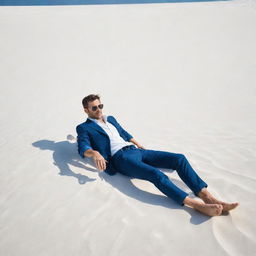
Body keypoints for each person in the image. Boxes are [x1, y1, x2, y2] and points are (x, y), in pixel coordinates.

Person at [76, 94, 239, 217]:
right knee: (155, 174)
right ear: (86, 110)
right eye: (94, 108)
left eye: (100, 106)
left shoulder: (109, 118)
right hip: (121, 158)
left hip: (136, 150)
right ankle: (195, 204)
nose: (99, 110)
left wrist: (137, 143)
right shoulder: (84, 127)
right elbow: (83, 146)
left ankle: (206, 196)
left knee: (179, 158)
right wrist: (94, 153)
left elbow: (123, 132)